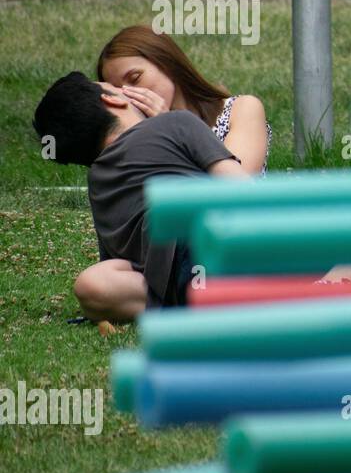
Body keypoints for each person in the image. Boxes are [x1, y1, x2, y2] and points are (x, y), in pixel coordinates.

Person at [32, 72, 245, 323]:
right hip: (216, 237)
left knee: (92, 283)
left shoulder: (98, 184)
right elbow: (238, 186)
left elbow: (117, 261)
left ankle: (197, 305)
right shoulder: (175, 122)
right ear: (114, 101)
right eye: (117, 87)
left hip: (180, 276)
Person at [96, 25, 270, 175]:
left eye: (135, 78)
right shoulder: (135, 140)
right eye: (120, 92)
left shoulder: (241, 109)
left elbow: (234, 191)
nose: (131, 94)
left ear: (166, 61)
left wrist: (171, 129)